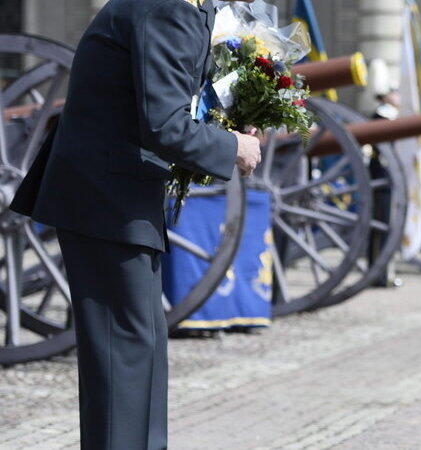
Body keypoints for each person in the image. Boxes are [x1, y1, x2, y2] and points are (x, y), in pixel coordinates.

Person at [9, 0, 261, 448]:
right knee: (121, 354)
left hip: (120, 196)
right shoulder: (166, 8)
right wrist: (231, 147)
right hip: (105, 197)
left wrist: (231, 120)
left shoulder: (187, 8)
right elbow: (164, 125)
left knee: (140, 348)